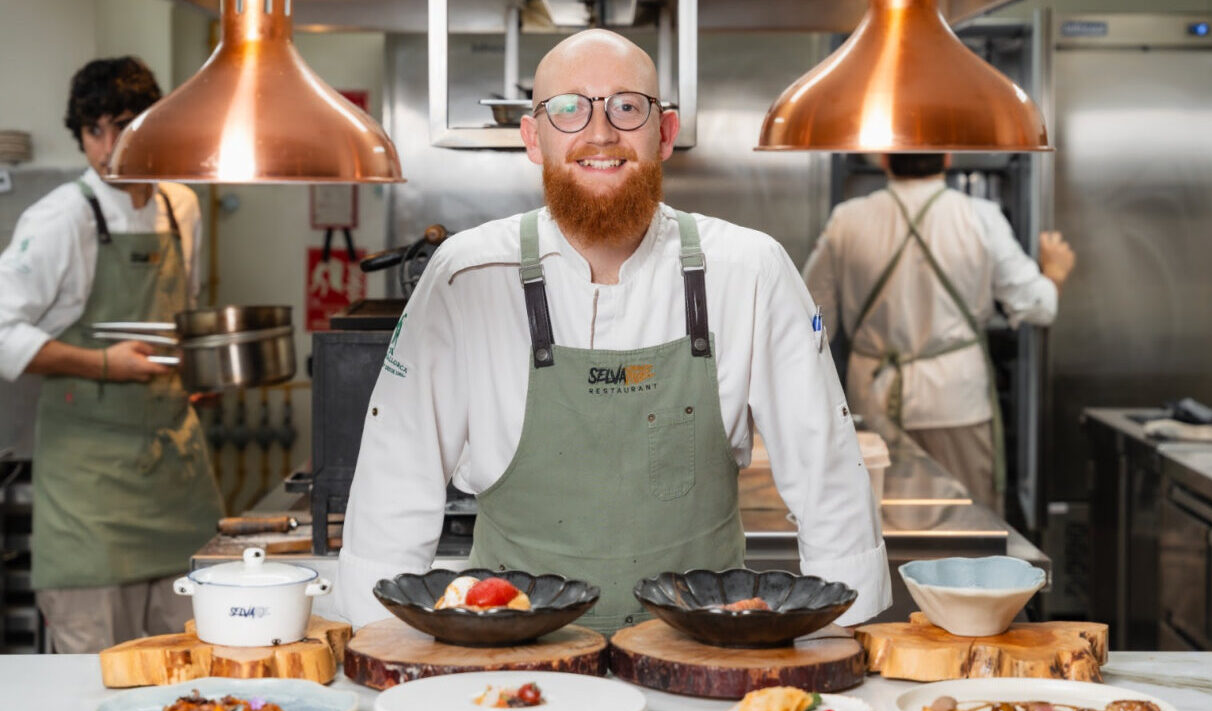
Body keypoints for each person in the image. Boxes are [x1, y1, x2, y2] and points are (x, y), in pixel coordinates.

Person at [338, 30, 890, 634]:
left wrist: (853, 646)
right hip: (506, 655)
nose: (600, 134)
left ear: (666, 133)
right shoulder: (463, 276)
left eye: (627, 107)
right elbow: (395, 482)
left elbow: (827, 475)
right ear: (533, 138)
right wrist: (375, 651)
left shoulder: (750, 270)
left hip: (705, 650)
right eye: (568, 109)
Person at [0, 57, 224, 652]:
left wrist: (198, 372)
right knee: (93, 680)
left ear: (153, 124)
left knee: (190, 669)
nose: (107, 146)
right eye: (93, 130)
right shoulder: (60, 218)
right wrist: (105, 364)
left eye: (122, 125)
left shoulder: (182, 208)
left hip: (176, 486)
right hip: (90, 499)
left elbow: (183, 314)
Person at [803, 153, 1076, 513]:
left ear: (884, 157)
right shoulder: (980, 217)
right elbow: (1038, 305)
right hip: (956, 402)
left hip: (872, 401)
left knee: (878, 522)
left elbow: (813, 320)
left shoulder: (847, 219)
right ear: (947, 157)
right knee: (965, 523)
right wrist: (1054, 273)